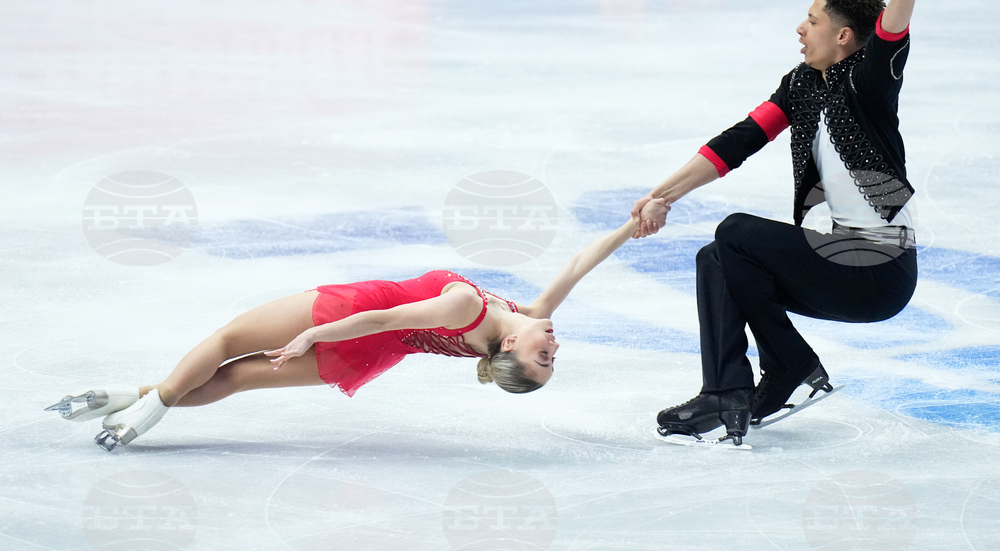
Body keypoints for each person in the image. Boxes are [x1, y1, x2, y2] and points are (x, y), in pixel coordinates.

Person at [45, 200, 669, 450]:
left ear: (510, 345)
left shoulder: (468, 311)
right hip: (372, 351)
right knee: (234, 379)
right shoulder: (528, 318)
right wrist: (631, 224)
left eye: (543, 358)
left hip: (352, 317)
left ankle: (140, 412)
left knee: (228, 345)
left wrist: (315, 334)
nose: (553, 347)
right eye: (551, 359)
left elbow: (387, 314)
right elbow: (580, 263)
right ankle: (129, 402)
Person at [632, 0, 938, 445]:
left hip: (880, 271)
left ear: (841, 36)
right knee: (717, 258)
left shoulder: (869, 80)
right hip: (836, 258)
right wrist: (660, 195)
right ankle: (726, 390)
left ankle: (790, 362)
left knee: (735, 232)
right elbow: (740, 140)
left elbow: (889, 35)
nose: (801, 28)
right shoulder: (799, 85)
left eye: (813, 20)